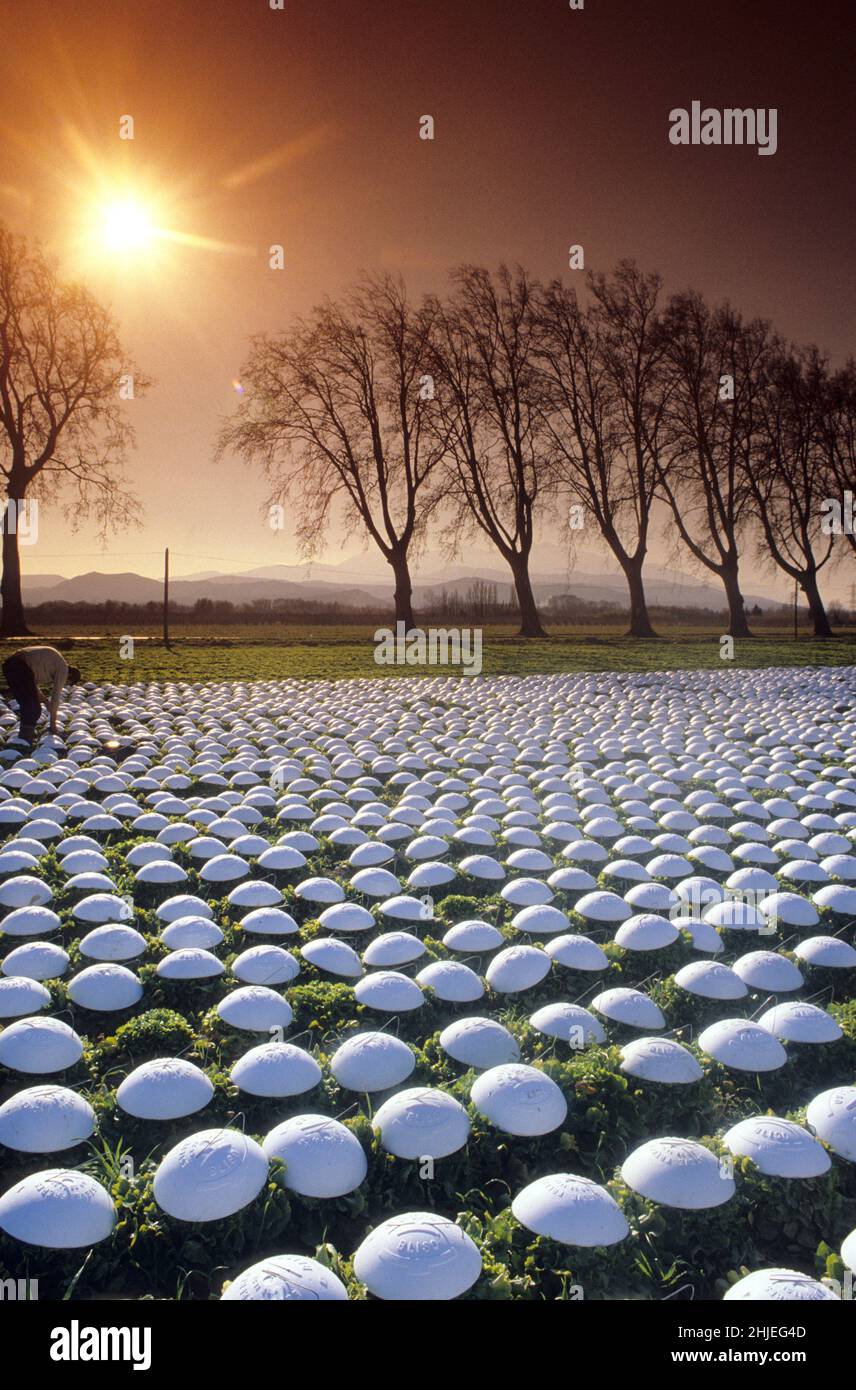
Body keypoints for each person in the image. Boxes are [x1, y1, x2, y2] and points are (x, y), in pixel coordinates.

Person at [2, 646, 81, 746]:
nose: (64, 683)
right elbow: (55, 697)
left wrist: (45, 701)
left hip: (9, 665)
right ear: (69, 676)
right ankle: (25, 740)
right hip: (19, 666)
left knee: (27, 704)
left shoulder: (51, 664)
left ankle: (23, 739)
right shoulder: (63, 669)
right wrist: (53, 724)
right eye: (67, 682)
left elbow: (32, 687)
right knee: (33, 708)